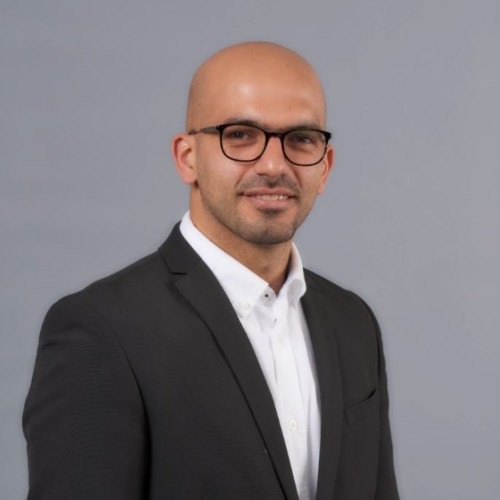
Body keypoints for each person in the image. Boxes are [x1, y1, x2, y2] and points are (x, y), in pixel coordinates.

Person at [23, 41, 399, 500]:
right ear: (188, 158)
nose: (273, 165)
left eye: (301, 138)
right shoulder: (100, 330)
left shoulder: (353, 322)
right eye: (240, 135)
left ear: (325, 166)